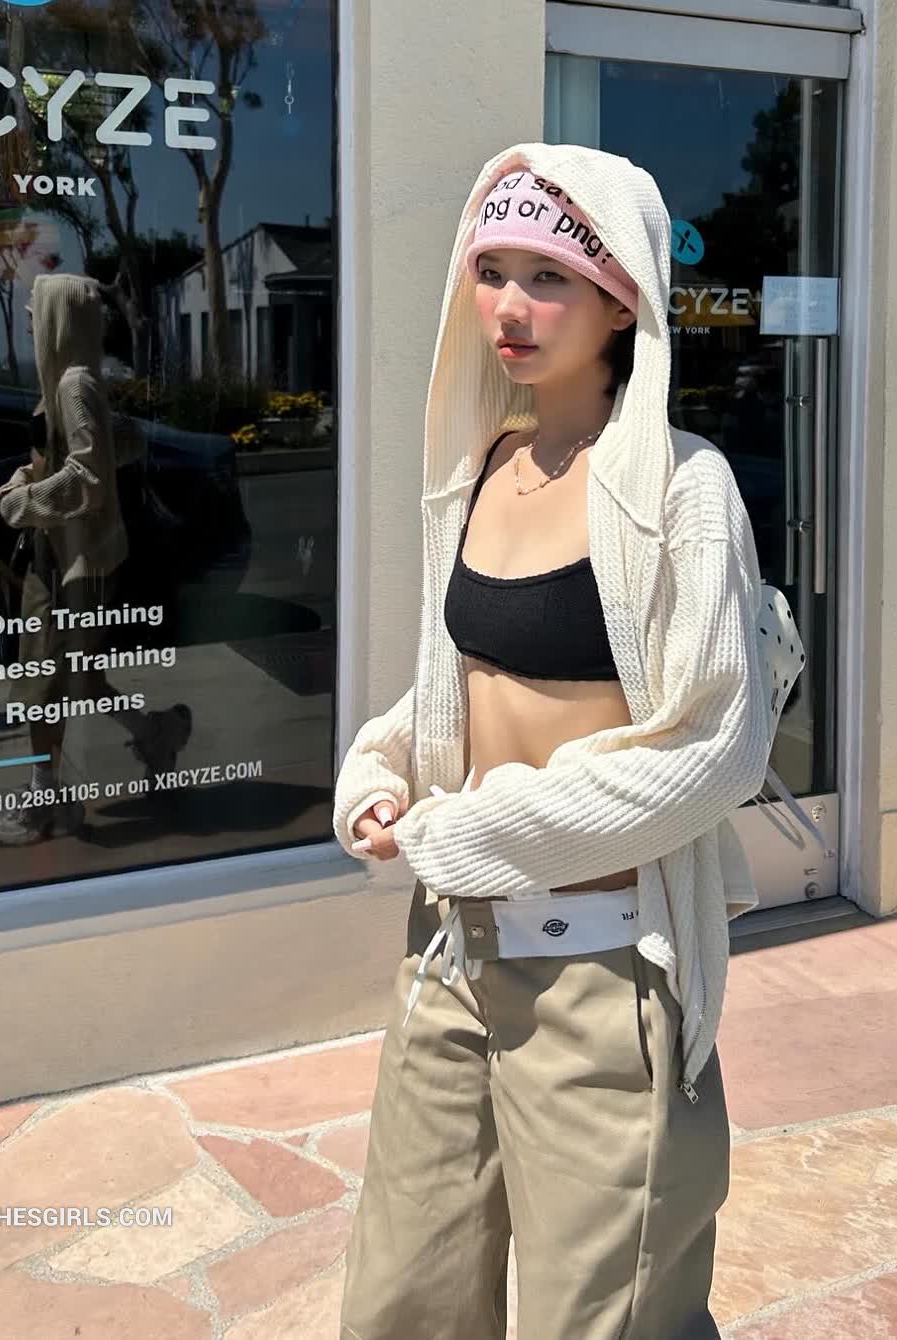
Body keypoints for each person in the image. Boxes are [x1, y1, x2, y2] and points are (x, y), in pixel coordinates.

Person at [332, 144, 775, 1340]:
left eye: (549, 278)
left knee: (608, 1315)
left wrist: (466, 830)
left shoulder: (683, 489)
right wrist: (379, 767)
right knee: (402, 1301)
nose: (509, 309)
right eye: (491, 272)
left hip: (599, 974)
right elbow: (456, 678)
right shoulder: (484, 465)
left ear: (621, 298)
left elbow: (713, 746)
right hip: (449, 958)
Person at [0, 272, 189, 844]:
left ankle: (44, 803)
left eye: (36, 313)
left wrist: (22, 504)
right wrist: (23, 477)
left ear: (58, 317)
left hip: (71, 563)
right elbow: (86, 453)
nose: (28, 322)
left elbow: (88, 478)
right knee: (73, 676)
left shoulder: (73, 384)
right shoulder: (71, 377)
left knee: (42, 686)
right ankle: (154, 734)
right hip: (72, 558)